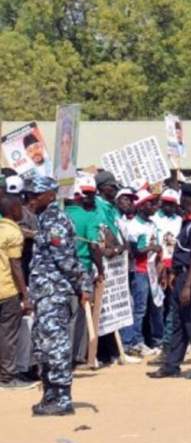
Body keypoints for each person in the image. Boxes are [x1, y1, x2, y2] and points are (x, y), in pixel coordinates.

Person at [26, 176, 88, 415]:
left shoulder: (55, 220)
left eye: (35, 195)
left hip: (55, 292)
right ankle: (50, 394)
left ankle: (63, 398)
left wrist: (82, 284)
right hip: (44, 292)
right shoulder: (43, 219)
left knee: (57, 344)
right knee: (43, 344)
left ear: (50, 195)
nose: (30, 199)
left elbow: (67, 261)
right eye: (28, 195)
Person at [148, 183, 191, 380]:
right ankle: (172, 364)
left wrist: (187, 286)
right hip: (182, 276)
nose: (181, 201)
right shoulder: (187, 222)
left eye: (184, 197)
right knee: (178, 322)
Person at [64, 175, 105, 365]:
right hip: (82, 269)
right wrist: (101, 268)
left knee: (62, 314)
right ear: (80, 197)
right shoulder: (88, 217)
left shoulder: (56, 214)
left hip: (59, 270)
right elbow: (94, 246)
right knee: (79, 314)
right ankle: (75, 355)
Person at [121, 190, 164, 356]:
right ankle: (136, 341)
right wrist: (151, 248)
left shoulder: (152, 224)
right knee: (140, 308)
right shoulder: (134, 226)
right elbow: (133, 251)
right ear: (140, 206)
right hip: (140, 271)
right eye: (149, 203)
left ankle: (158, 340)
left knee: (157, 307)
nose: (153, 206)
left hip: (154, 271)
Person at [0, 193, 33, 390]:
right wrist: (25, 296)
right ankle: (7, 378)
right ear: (13, 210)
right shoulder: (13, 234)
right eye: (20, 207)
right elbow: (16, 266)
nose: (23, 210)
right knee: (8, 335)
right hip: (6, 291)